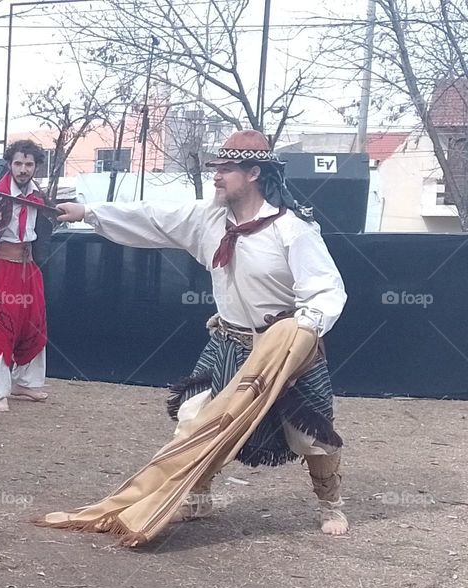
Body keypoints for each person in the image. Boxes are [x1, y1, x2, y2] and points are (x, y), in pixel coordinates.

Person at [53, 129, 349, 537]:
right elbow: (152, 217)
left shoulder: (292, 230)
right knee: (195, 420)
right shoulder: (208, 219)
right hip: (228, 341)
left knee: (310, 436)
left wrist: (303, 331)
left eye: (226, 169)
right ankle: (197, 496)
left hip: (284, 347)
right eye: (217, 168)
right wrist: (88, 212)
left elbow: (326, 289)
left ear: (254, 173)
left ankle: (330, 504)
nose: (216, 176)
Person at [0, 139, 52, 412]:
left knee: (33, 325)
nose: (23, 169)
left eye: (29, 164)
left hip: (28, 269)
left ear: (36, 167)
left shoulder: (39, 197)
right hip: (0, 268)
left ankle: (24, 382)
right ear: (9, 164)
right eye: (18, 163)